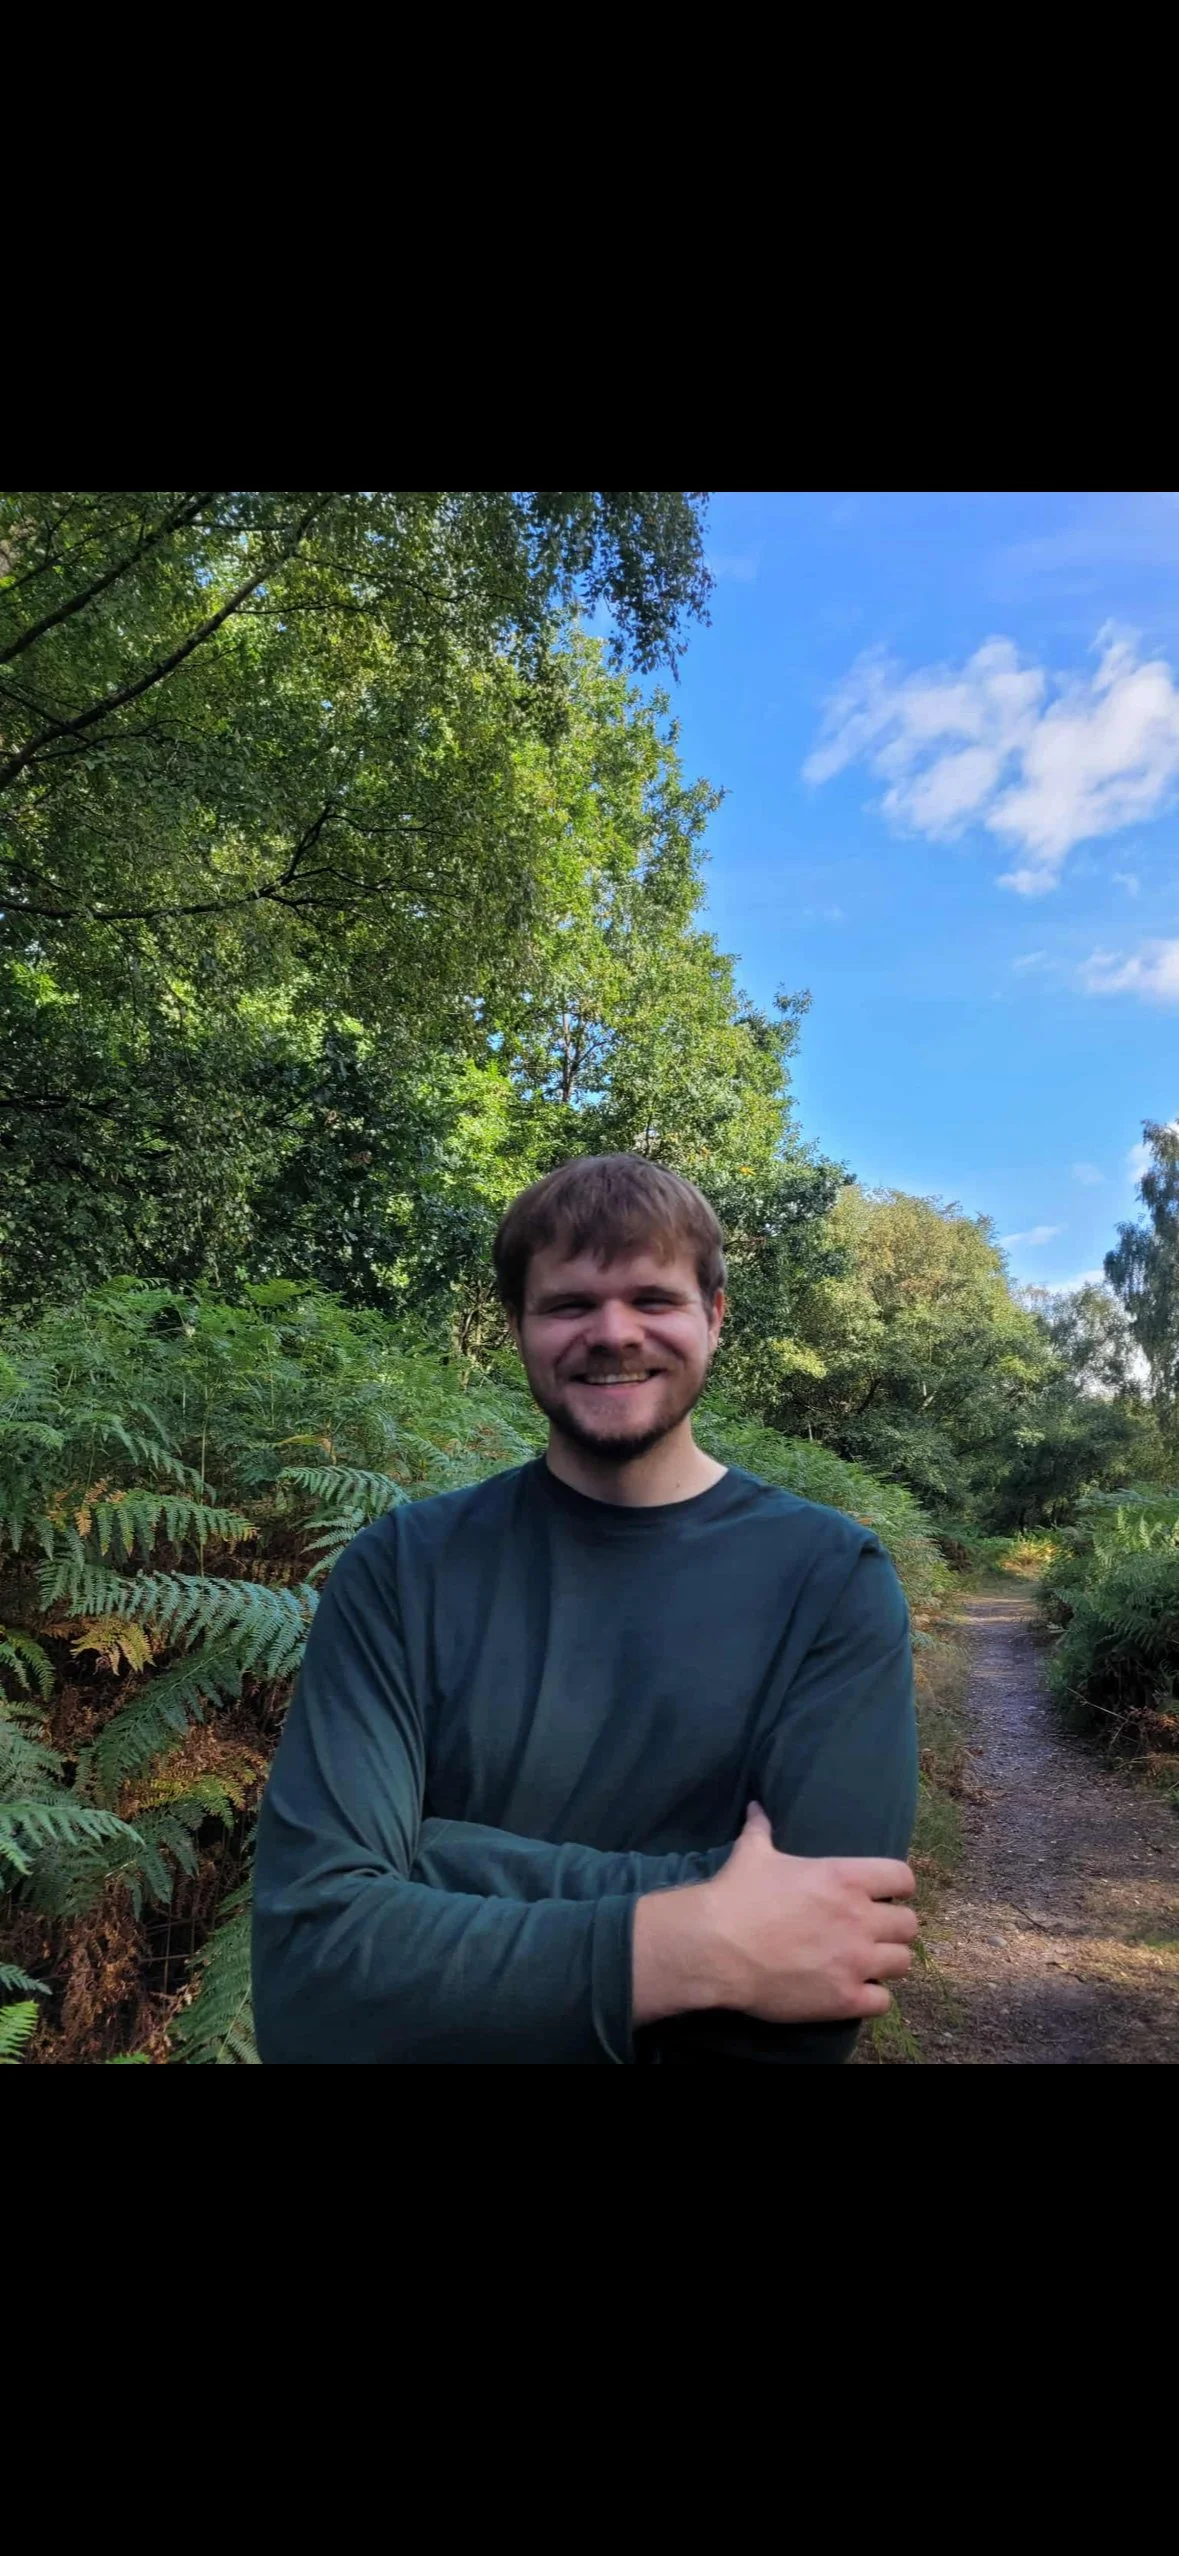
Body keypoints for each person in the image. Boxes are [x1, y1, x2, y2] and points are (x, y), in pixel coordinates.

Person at [252, 1154, 919, 2064]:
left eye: (653, 1298)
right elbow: (313, 1966)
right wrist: (699, 1939)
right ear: (519, 1328)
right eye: (569, 1304)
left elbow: (826, 1964)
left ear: (713, 1318)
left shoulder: (829, 1577)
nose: (612, 1333)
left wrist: (435, 1862)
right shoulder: (402, 1569)